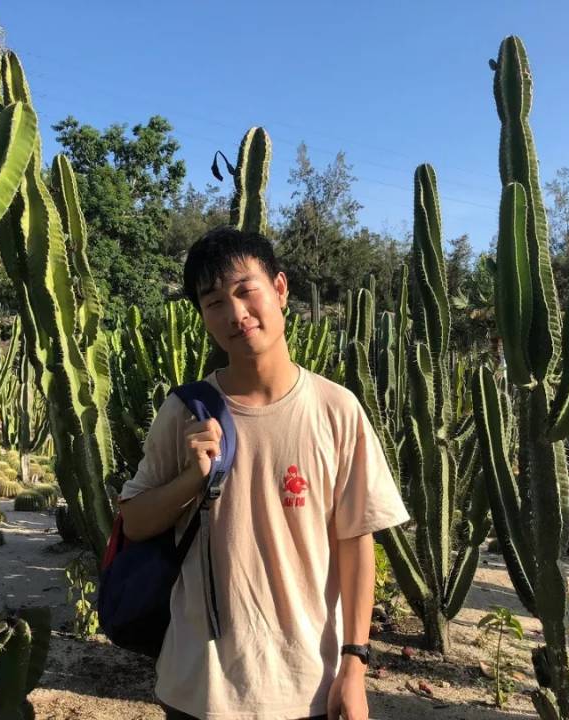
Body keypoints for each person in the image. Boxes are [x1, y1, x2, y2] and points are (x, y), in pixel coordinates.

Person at [117, 226, 410, 720]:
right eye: (214, 302)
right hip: (199, 688)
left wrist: (355, 666)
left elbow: (356, 542)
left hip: (306, 686)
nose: (235, 313)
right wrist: (191, 479)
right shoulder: (185, 411)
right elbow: (135, 522)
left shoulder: (336, 410)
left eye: (244, 290)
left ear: (279, 288)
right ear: (203, 317)